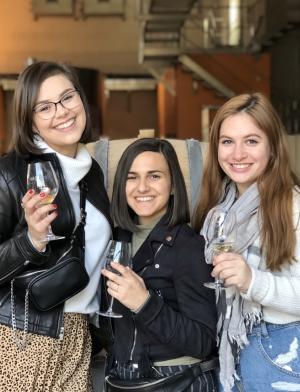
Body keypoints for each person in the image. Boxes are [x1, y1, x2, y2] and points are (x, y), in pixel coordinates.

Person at [0, 61, 112, 391]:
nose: (62, 112)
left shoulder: (91, 172)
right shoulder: (10, 173)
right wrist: (31, 241)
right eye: (45, 107)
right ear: (29, 120)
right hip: (20, 335)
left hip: (77, 335)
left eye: (67, 98)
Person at [193, 92, 300, 392]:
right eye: (227, 141)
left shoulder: (292, 207)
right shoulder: (218, 212)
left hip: (283, 351)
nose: (237, 153)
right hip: (230, 351)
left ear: (273, 148)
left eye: (251, 141)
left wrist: (252, 281)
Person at [101, 138, 218, 391]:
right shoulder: (117, 239)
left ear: (173, 185)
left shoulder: (188, 246)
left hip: (175, 379)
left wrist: (144, 303)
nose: (142, 187)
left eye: (154, 176)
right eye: (132, 177)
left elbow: (204, 341)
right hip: (124, 377)